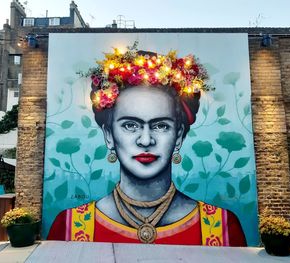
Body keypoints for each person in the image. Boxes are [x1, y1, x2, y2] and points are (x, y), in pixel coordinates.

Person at [47, 46, 246, 246]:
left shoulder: (222, 228)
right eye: (130, 125)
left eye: (160, 126)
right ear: (109, 135)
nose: (145, 140)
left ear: (178, 136)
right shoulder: (69, 228)